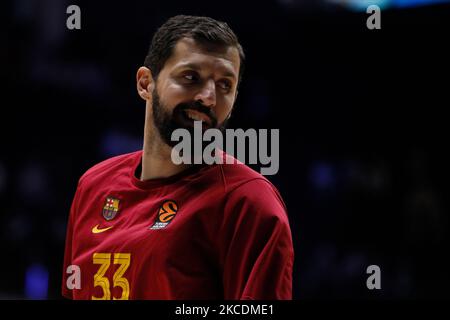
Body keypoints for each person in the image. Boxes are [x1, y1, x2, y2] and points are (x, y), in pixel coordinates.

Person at [62, 15, 294, 300]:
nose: (208, 96)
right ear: (146, 83)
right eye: (191, 77)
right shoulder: (93, 185)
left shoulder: (249, 202)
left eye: (224, 85)